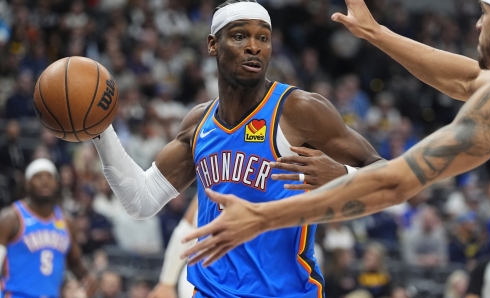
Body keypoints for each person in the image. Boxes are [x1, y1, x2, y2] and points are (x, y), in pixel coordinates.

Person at [180, 1, 490, 297]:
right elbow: (465, 79)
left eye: (485, 13)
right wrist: (373, 31)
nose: (479, 23)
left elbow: (395, 182)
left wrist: (262, 218)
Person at [91, 0, 383, 297]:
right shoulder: (198, 123)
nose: (254, 47)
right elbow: (142, 200)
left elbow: (386, 174)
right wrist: (99, 128)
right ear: (212, 44)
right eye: (240, 36)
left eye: (263, 38)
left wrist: (343, 175)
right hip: (211, 291)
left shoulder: (299, 110)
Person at [0, 158, 96, 298]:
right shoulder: (11, 218)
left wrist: (89, 279)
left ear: (57, 183)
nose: (45, 181)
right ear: (27, 184)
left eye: (49, 177)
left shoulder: (67, 222)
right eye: (38, 177)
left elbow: (75, 263)